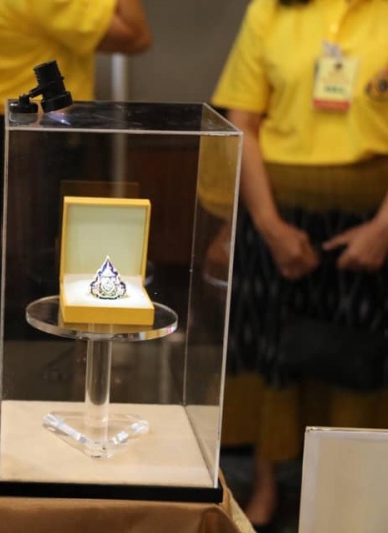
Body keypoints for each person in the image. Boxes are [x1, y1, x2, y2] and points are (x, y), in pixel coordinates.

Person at [212, 0, 388, 527]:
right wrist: (269, 226)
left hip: (374, 219)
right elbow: (243, 121)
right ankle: (266, 487)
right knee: (272, 352)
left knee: (360, 360)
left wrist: (383, 229)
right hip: (276, 215)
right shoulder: (270, 10)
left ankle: (353, 502)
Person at [0, 0, 152, 411]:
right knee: (39, 275)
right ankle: (27, 401)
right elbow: (136, 35)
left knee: (1, 278)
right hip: (35, 136)